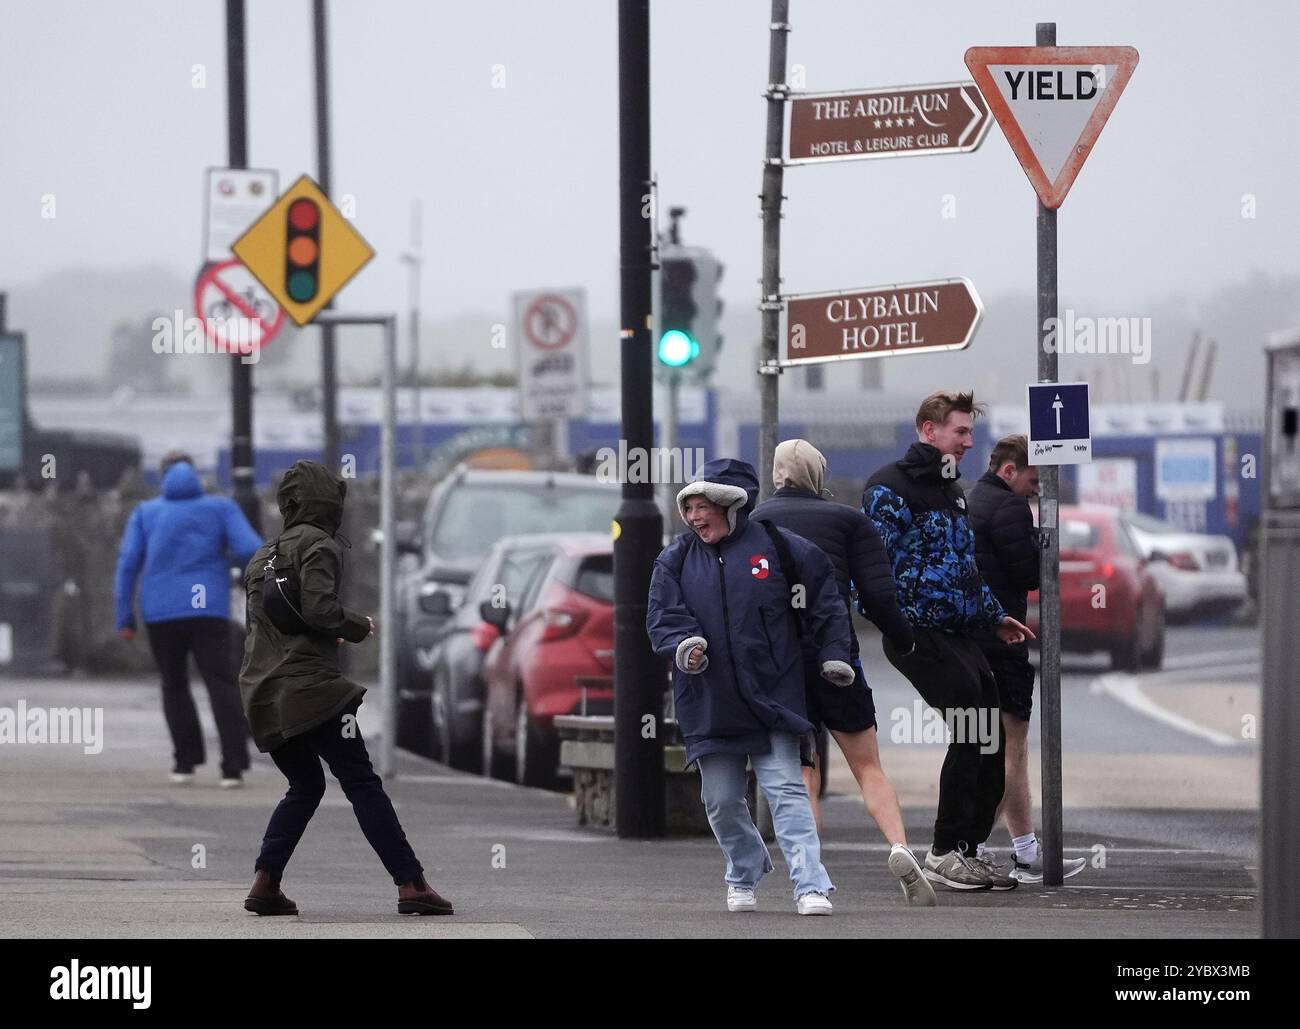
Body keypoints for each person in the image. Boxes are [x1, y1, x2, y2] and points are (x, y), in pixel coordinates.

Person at [239, 460, 452, 917]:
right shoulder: (319, 546)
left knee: (304, 784)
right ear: (327, 502)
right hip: (314, 694)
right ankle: (411, 884)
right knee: (361, 782)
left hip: (264, 695)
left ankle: (266, 880)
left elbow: (268, 629)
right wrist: (358, 625)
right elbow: (318, 609)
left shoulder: (262, 556)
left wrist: (321, 631)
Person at [647, 458, 855, 915]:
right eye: (689, 507)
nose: (695, 516)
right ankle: (744, 871)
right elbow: (661, 617)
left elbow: (827, 601)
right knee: (720, 801)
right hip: (710, 702)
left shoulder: (782, 549)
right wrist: (685, 645)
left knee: (786, 790)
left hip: (773, 696)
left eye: (704, 506)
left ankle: (810, 886)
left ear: (732, 505)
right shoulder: (675, 559)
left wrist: (834, 653)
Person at [752, 439, 937, 907]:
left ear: (776, 475)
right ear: (819, 473)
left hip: (781, 668)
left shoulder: (753, 524)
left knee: (803, 777)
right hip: (836, 659)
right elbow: (878, 594)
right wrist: (903, 638)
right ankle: (899, 846)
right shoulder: (850, 521)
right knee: (868, 767)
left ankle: (812, 872)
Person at [863, 391, 1035, 891]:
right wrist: (898, 628)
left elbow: (966, 570)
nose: (967, 441)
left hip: (959, 631)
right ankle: (944, 851)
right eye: (960, 431)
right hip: (918, 633)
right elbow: (870, 571)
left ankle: (966, 848)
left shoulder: (954, 491)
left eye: (968, 432)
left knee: (989, 735)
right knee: (971, 728)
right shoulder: (888, 488)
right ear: (927, 430)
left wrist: (994, 616)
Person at [968, 434, 1086, 883]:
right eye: (1035, 479)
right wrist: (1042, 539)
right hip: (1006, 638)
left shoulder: (973, 499)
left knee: (995, 746)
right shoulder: (1009, 507)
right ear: (1010, 471)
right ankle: (971, 846)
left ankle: (1026, 850)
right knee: (1008, 750)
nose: (1039, 488)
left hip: (976, 639)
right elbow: (1029, 574)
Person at [114, 451, 260, 786]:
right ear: (195, 475)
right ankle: (233, 767)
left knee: (174, 684)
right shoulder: (220, 508)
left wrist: (125, 617)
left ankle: (185, 762)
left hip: (162, 611)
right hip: (208, 608)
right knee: (221, 683)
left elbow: (127, 565)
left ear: (162, 477)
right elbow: (250, 548)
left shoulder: (146, 513)